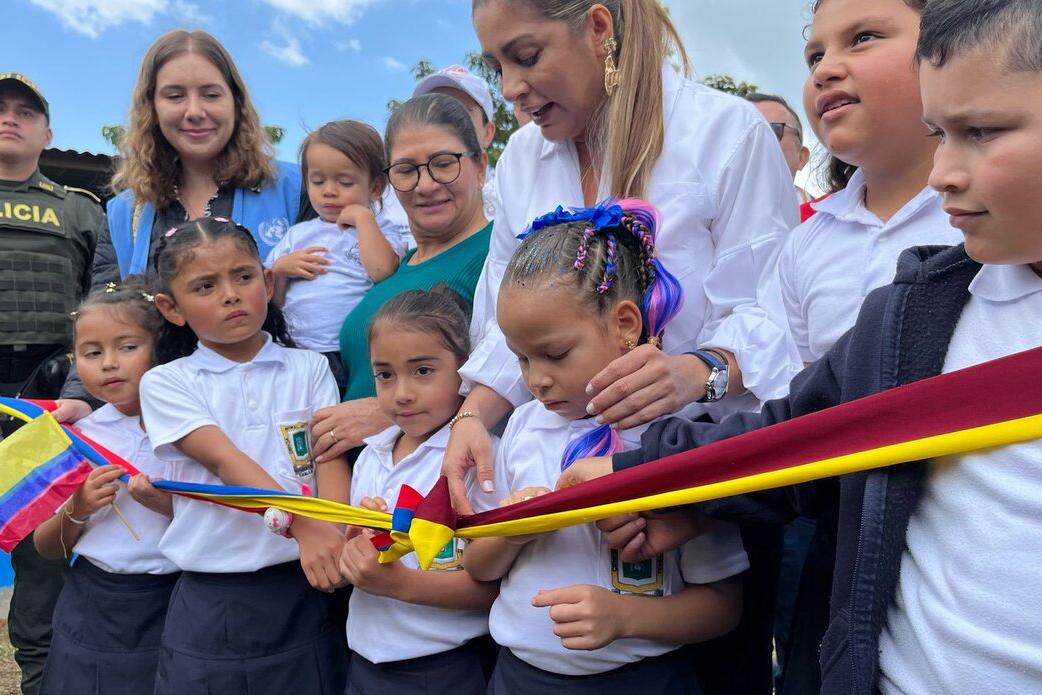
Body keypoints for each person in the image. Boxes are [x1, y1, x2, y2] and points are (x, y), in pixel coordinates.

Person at [561, 0, 1042, 691]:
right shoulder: (913, 305)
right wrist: (653, 476)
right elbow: (798, 431)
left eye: (982, 132)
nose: (945, 173)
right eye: (814, 54)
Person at [449, 2, 798, 690]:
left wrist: (699, 370)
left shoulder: (724, 134)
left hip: (694, 476)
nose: (510, 88)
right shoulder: (520, 159)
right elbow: (505, 313)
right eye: (497, 67)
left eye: (525, 56)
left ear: (599, 28)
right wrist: (471, 416)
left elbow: (777, 310)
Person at [463, 200, 748, 693]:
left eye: (554, 354)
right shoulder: (522, 429)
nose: (536, 380)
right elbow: (478, 566)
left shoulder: (674, 438)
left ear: (625, 325)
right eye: (520, 359)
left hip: (645, 680)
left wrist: (626, 616)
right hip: (519, 678)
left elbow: (723, 603)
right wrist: (512, 532)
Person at [138, 217, 349, 693]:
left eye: (244, 276)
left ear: (268, 281)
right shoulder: (167, 383)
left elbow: (329, 455)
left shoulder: (310, 367)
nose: (230, 294)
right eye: (205, 286)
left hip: (304, 584)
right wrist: (308, 526)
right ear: (171, 308)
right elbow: (226, 462)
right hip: (215, 600)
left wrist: (334, 533)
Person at [55, 29, 302, 422]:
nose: (194, 111)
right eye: (174, 95)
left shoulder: (295, 188)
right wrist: (82, 397)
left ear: (236, 102)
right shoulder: (124, 212)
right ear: (151, 107)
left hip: (285, 410)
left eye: (210, 93)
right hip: (168, 423)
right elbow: (107, 317)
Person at [309, 94, 492, 462]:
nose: (425, 185)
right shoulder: (395, 267)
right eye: (407, 170)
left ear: (481, 166)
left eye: (444, 164)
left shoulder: (496, 255)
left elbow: (522, 376)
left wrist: (383, 412)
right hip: (366, 487)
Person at [0, 71, 105, 695]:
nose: (9, 118)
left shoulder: (78, 209)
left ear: (48, 132)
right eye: (0, 109)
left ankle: (39, 679)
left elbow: (106, 307)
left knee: (42, 550)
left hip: (44, 398)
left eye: (24, 111)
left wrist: (80, 390)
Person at [338, 286, 498, 694]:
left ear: (465, 371)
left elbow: (498, 586)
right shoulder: (372, 454)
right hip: (365, 665)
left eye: (423, 371)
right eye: (384, 375)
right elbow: (357, 564)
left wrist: (399, 585)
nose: (402, 393)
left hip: (447, 668)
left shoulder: (480, 458)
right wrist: (355, 549)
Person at [33, 283, 178, 695]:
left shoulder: (189, 429)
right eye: (93, 353)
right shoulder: (79, 436)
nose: (109, 364)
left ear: (160, 345)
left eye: (128, 347)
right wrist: (77, 506)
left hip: (174, 598)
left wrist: (167, 505)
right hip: (94, 602)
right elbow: (48, 548)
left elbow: (219, 518)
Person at [266, 120, 406, 394]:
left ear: (376, 187)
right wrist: (281, 270)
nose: (329, 190)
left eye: (344, 181)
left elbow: (383, 271)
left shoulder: (380, 230)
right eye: (317, 181)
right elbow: (273, 299)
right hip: (297, 348)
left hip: (352, 353)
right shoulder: (297, 235)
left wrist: (363, 218)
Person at [413, 65, 499, 219]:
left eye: (461, 113)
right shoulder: (397, 197)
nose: (444, 124)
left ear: (488, 133)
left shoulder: (510, 198)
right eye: (432, 112)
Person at [745, 93, 811, 205]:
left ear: (801, 157)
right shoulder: (709, 217)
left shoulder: (828, 219)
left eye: (771, 131)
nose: (753, 142)